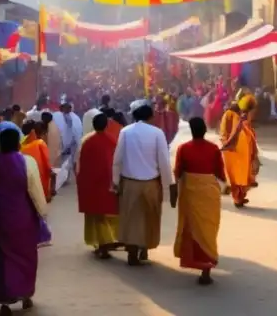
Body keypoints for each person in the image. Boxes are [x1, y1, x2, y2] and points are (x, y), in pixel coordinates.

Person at [0, 124, 50, 315]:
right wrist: (42, 213)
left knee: (2, 258)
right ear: (17, 143)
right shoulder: (27, 162)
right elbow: (35, 191)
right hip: (23, 218)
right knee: (25, 257)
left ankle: (4, 301)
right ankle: (26, 295)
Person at [111, 101, 174, 266]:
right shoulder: (157, 133)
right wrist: (169, 184)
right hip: (151, 184)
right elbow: (164, 162)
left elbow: (117, 159)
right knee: (149, 217)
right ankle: (144, 248)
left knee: (130, 219)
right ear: (150, 116)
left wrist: (115, 181)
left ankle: (132, 253)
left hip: (129, 183)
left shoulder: (125, 131)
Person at [173, 117, 226, 285]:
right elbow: (220, 173)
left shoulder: (183, 149)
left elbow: (178, 172)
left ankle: (195, 260)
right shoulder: (213, 148)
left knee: (192, 228)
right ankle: (206, 270)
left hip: (190, 193)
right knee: (208, 229)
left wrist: (174, 193)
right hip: (210, 193)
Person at [76, 113, 120, 259]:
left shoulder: (86, 141)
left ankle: (100, 243)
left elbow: (79, 165)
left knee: (95, 215)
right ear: (107, 125)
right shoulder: (113, 141)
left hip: (91, 184)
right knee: (106, 214)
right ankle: (107, 242)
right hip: (108, 183)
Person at [220, 95, 258, 208]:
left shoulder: (242, 117)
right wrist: (226, 143)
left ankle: (240, 197)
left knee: (243, 174)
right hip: (232, 150)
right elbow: (224, 132)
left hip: (242, 151)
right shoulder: (229, 115)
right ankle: (237, 198)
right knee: (235, 175)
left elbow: (249, 132)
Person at [21, 121, 54, 203]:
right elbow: (47, 164)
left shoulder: (22, 144)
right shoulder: (40, 144)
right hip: (40, 180)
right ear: (43, 133)